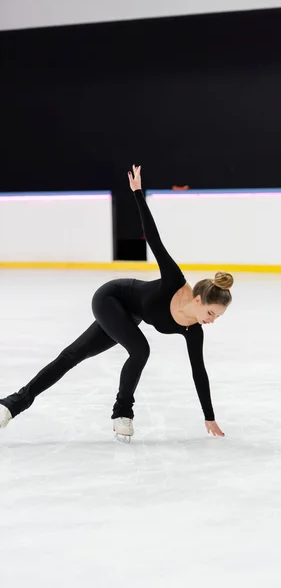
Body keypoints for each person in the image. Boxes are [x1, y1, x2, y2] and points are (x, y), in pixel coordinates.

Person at [0, 165, 233, 441]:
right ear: (198, 298)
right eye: (211, 312)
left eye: (216, 317)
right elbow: (155, 239)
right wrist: (137, 193)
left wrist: (209, 416)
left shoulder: (193, 331)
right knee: (139, 349)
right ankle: (122, 412)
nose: (211, 320)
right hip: (111, 297)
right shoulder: (174, 281)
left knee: (73, 355)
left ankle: (10, 405)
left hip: (128, 316)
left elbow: (199, 372)